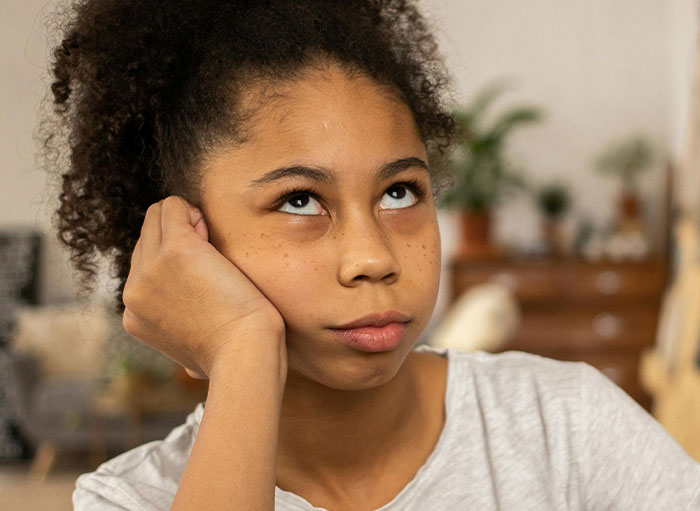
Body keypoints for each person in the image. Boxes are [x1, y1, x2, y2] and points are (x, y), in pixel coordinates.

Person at [38, 0, 700, 509]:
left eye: (400, 190)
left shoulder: (567, 428)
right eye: (300, 200)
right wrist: (243, 349)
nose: (373, 257)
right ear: (184, 242)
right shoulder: (131, 497)